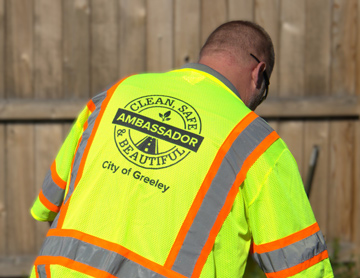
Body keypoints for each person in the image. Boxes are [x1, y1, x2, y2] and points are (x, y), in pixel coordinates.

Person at [30, 21, 334, 278]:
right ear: (259, 73)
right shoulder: (257, 142)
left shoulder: (116, 94)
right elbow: (300, 267)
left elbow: (49, 202)